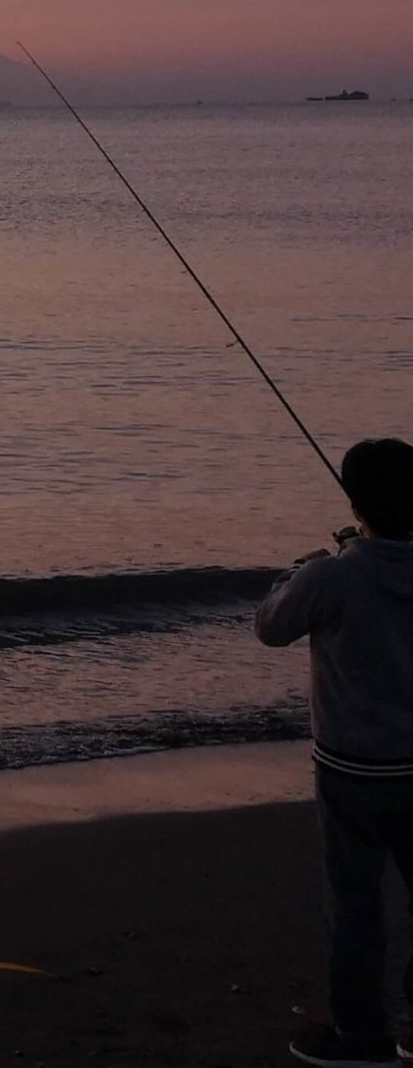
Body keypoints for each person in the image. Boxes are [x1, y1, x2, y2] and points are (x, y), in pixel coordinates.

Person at [258, 437, 413, 1067]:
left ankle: (362, 1037)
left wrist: (300, 569)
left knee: (353, 903)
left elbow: (270, 626)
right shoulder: (344, 572)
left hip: (351, 772)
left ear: (356, 504)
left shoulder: (331, 576)